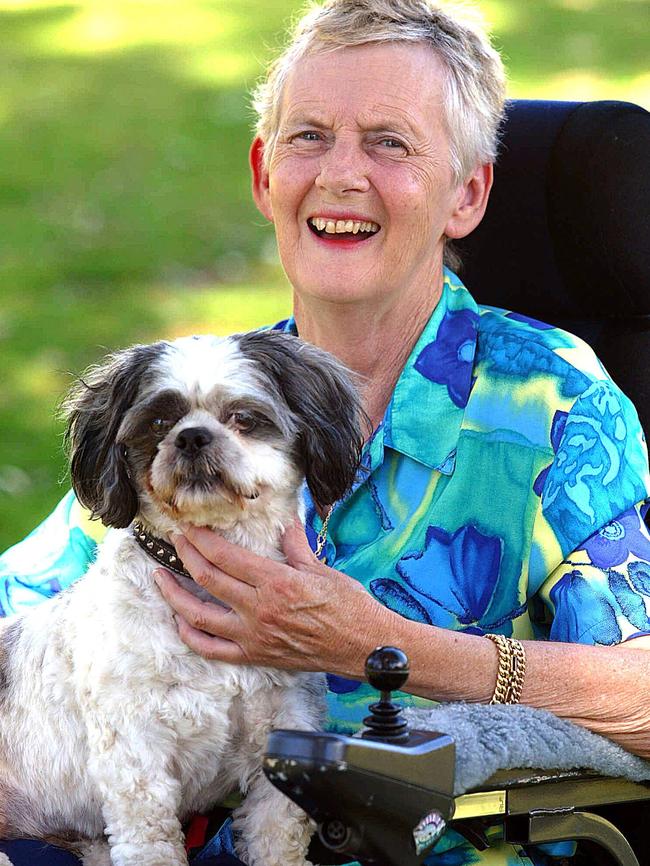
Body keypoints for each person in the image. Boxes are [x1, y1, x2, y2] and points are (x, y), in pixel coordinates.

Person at [1, 1, 650, 864]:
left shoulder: (552, 403)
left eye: (390, 142)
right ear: (265, 174)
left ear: (467, 193)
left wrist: (382, 647)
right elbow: (38, 604)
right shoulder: (197, 405)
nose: (342, 174)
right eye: (309, 137)